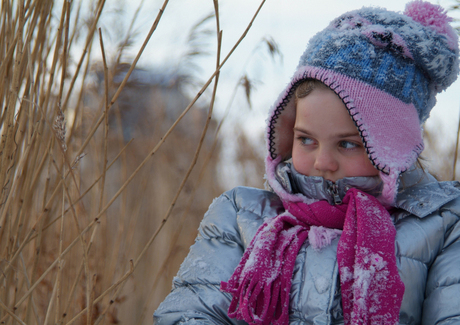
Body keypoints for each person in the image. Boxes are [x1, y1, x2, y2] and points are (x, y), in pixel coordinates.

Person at [154, 1, 460, 324]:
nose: (323, 162)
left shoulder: (440, 227)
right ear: (287, 134)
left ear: (392, 150)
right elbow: (190, 314)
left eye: (348, 144)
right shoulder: (241, 216)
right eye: (306, 140)